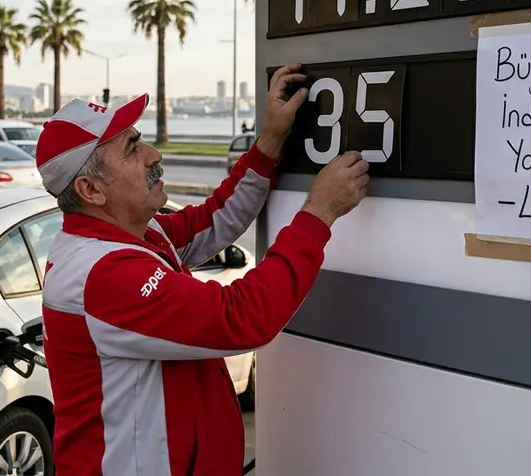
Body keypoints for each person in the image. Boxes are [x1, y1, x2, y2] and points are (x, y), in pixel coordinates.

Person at [36, 64, 369, 476]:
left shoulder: (134, 232)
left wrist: (269, 142)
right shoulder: (101, 274)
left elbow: (216, 218)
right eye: (132, 148)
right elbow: (241, 317)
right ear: (91, 190)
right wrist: (318, 214)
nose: (154, 155)